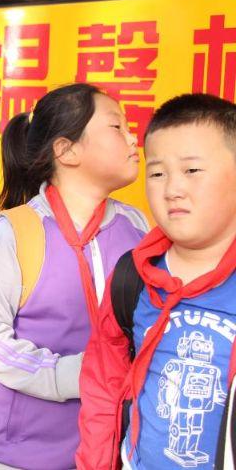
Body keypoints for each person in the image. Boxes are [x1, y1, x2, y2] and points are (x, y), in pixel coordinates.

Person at [0, 83, 148, 469]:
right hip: (24, 453)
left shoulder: (137, 227)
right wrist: (66, 374)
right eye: (117, 127)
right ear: (67, 150)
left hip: (112, 447)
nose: (133, 138)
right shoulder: (12, 231)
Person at [77, 94, 236, 469]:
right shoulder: (132, 275)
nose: (172, 189)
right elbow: (104, 386)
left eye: (192, 171)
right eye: (158, 173)